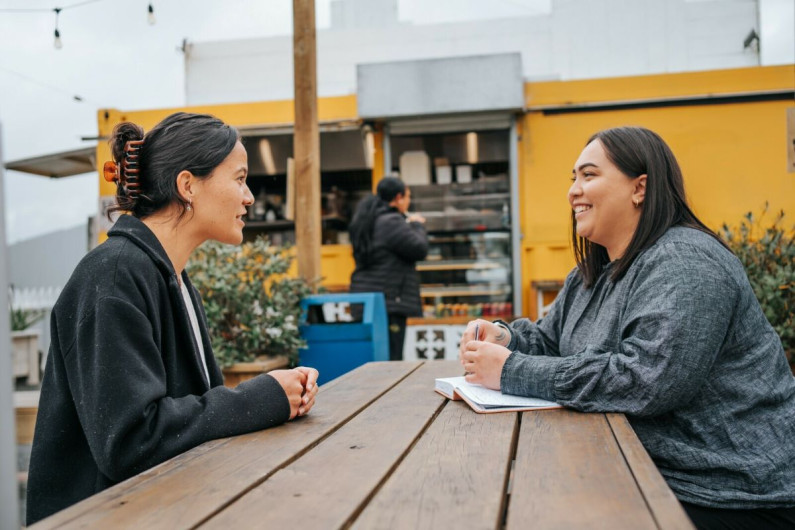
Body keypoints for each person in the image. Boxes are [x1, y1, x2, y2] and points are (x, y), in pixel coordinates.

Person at [459, 126, 795, 529]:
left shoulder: (687, 264)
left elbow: (646, 382)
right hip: (641, 469)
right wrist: (505, 336)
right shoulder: (595, 271)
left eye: (589, 175)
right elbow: (551, 340)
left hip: (730, 492)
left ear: (640, 188)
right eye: (573, 178)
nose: (573, 191)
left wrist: (511, 370)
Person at [26, 112, 319, 524]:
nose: (249, 196)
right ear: (187, 186)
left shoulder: (169, 276)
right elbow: (130, 442)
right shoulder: (113, 277)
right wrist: (261, 398)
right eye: (239, 178)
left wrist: (274, 396)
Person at [348, 176, 428, 360]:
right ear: (398, 197)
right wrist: (417, 225)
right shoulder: (390, 222)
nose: (409, 201)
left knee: (372, 358)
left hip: (369, 300)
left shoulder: (369, 219)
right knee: (391, 360)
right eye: (408, 196)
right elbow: (420, 248)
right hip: (389, 303)